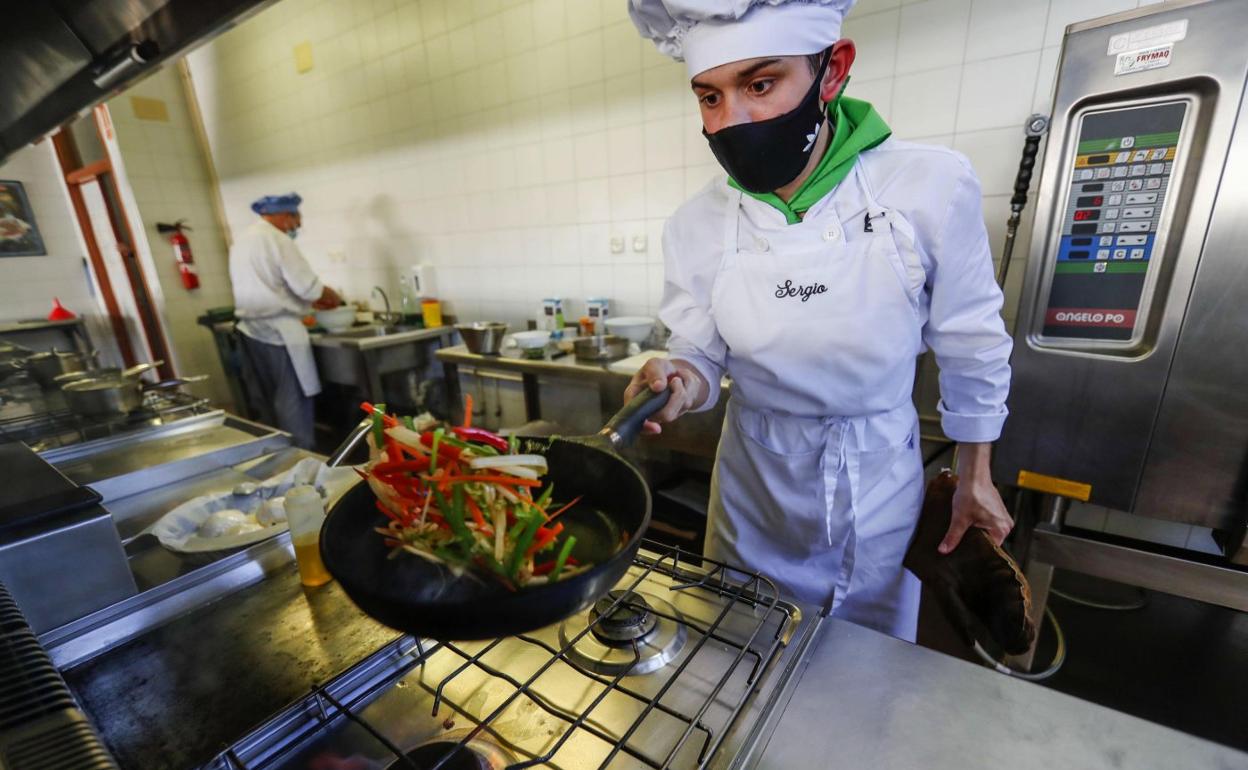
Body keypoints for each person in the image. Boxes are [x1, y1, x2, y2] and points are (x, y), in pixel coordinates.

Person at [624, 0, 1014, 641]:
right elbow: (698, 354)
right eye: (709, 98)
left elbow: (971, 341)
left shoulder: (926, 187)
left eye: (760, 84)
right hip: (754, 489)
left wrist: (976, 477)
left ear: (832, 72)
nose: (733, 120)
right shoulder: (696, 224)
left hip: (879, 480)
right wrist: (678, 378)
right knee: (739, 654)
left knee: (868, 672)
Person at [229, 193, 342, 449]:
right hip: (279, 333)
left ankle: (276, 460)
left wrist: (304, 301)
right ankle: (302, 463)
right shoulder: (277, 240)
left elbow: (270, 285)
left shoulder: (244, 240)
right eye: (296, 220)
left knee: (267, 405)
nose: (297, 227)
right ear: (285, 215)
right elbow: (308, 287)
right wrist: (333, 296)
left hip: (250, 331)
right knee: (292, 402)